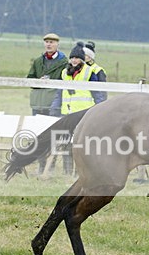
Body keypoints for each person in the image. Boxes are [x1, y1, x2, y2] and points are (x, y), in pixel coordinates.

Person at [50, 44, 104, 174]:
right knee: (65, 143)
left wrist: (101, 110)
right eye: (72, 58)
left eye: (77, 58)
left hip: (84, 114)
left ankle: (79, 172)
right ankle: (67, 171)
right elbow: (59, 92)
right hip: (67, 113)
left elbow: (98, 94)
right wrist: (54, 108)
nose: (74, 60)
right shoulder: (64, 73)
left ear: (82, 59)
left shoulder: (90, 73)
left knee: (81, 145)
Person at [27, 32, 68, 116]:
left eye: (51, 42)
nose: (48, 45)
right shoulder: (37, 61)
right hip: (37, 103)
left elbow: (65, 82)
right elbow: (30, 79)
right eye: (47, 42)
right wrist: (39, 82)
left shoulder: (64, 63)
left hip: (54, 104)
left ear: (57, 44)